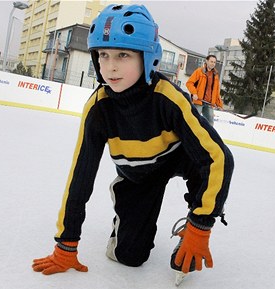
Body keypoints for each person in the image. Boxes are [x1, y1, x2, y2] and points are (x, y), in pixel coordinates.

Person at [32, 4, 234, 277]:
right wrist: (66, 244)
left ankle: (192, 224)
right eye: (103, 54)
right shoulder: (99, 108)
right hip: (138, 174)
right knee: (129, 256)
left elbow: (219, 157)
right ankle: (127, 218)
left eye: (123, 55)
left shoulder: (169, 98)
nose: (110, 67)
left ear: (147, 57)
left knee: (206, 167)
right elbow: (80, 177)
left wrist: (202, 223)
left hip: (179, 156)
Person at [186, 55, 223, 126]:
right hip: (199, 101)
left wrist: (219, 103)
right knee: (194, 120)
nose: (213, 64)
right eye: (211, 61)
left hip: (209, 103)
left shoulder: (215, 75)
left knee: (210, 122)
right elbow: (189, 83)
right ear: (207, 61)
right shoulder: (199, 71)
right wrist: (194, 93)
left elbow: (216, 91)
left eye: (214, 62)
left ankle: (208, 136)